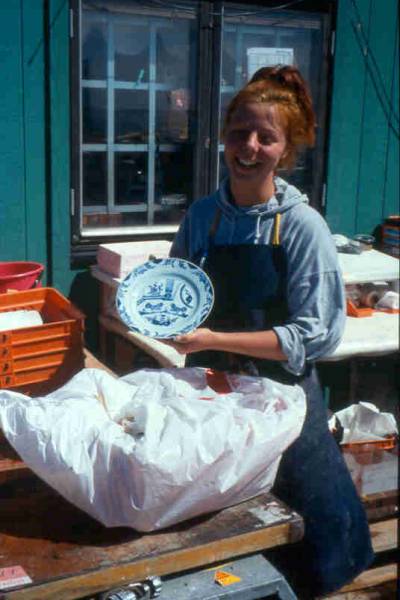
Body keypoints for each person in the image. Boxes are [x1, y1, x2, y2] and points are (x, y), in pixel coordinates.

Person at [167, 64, 374, 597]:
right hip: (212, 393)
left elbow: (316, 335)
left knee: (313, 536)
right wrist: (163, 318)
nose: (249, 146)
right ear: (222, 136)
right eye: (240, 133)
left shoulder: (304, 226)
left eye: (267, 136)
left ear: (287, 148)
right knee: (222, 528)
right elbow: (174, 287)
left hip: (282, 400)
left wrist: (211, 339)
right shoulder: (203, 217)